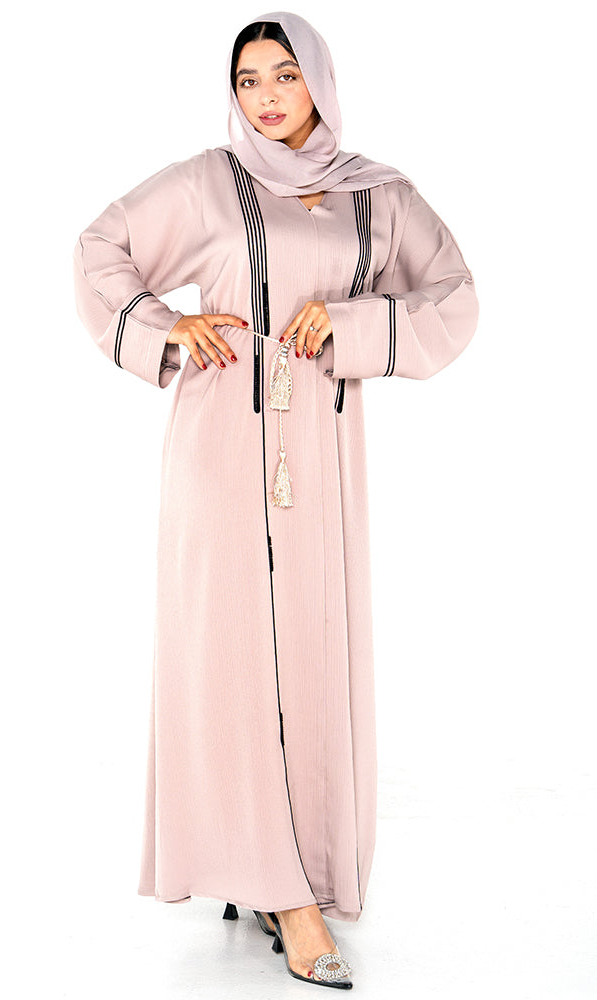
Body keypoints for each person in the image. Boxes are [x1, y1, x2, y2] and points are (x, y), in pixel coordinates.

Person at [72, 9, 479, 989]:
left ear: (319, 84)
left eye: (284, 75)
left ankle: (289, 870)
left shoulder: (377, 196)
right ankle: (283, 895)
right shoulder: (207, 183)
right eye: (248, 78)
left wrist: (352, 322)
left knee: (308, 656)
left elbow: (454, 296)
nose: (264, 96)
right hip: (219, 445)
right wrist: (166, 326)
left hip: (320, 453)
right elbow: (98, 248)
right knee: (232, 662)